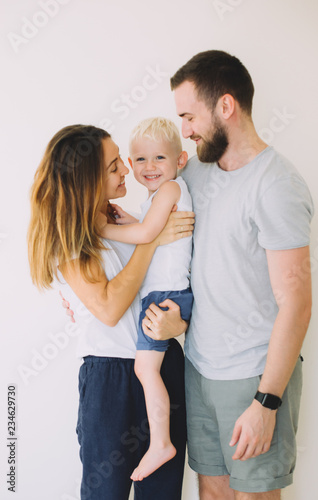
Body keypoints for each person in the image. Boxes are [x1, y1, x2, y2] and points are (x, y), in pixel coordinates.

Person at [167, 50, 314, 500]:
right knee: (211, 494)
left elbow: (297, 303)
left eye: (189, 116)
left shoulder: (276, 186)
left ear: (225, 106)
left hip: (253, 378)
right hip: (199, 370)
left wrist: (266, 402)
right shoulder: (196, 173)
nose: (185, 130)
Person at [27, 124, 194, 500]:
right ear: (87, 178)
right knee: (105, 493)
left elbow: (167, 287)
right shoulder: (70, 240)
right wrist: (152, 240)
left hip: (162, 363)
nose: (125, 169)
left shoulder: (124, 221)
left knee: (163, 493)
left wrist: (177, 323)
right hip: (110, 378)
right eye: (113, 164)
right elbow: (109, 308)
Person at [99, 117, 193, 481]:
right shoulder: (161, 194)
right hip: (164, 294)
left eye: (159, 159)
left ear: (180, 161)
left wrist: (103, 227)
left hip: (165, 295)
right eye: (139, 160)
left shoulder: (170, 190)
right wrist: (128, 218)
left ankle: (160, 444)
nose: (149, 168)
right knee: (147, 369)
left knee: (145, 369)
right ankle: (160, 442)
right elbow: (146, 226)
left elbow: (148, 233)